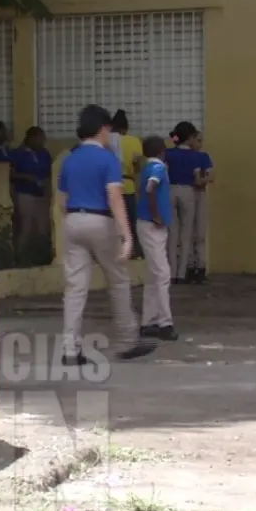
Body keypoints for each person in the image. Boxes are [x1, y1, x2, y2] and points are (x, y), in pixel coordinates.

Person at [57, 104, 156, 365]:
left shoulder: (70, 159)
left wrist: (70, 219)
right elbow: (115, 196)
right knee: (119, 280)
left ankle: (70, 349)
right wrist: (126, 235)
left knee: (75, 288)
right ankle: (127, 340)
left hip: (72, 220)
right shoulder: (107, 158)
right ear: (104, 129)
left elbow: (61, 198)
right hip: (100, 221)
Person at [135, 136, 177, 341]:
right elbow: (150, 188)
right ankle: (165, 323)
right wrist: (156, 214)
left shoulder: (146, 168)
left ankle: (148, 321)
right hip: (153, 225)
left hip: (145, 223)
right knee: (162, 274)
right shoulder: (158, 168)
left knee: (153, 275)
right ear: (162, 151)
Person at [165, 121, 202, 284]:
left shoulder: (168, 153)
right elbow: (197, 179)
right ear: (190, 137)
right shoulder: (195, 156)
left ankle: (171, 272)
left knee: (172, 233)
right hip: (188, 191)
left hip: (170, 190)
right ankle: (181, 274)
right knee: (186, 234)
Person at [11, 126, 53, 256]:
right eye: (40, 139)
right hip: (25, 193)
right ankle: (20, 257)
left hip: (41, 195)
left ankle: (42, 256)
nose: (43, 142)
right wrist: (27, 177)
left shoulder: (44, 153)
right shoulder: (18, 154)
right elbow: (11, 174)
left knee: (44, 228)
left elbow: (50, 172)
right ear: (31, 138)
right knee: (25, 227)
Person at [112, 110, 144, 258]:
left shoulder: (107, 141)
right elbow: (137, 166)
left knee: (114, 222)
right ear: (126, 127)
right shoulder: (134, 141)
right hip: (128, 186)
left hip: (111, 187)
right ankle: (134, 253)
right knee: (131, 222)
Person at [190, 134, 214, 283]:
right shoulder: (184, 156)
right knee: (186, 231)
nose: (199, 143)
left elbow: (211, 176)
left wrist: (201, 180)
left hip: (199, 193)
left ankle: (200, 265)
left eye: (201, 140)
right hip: (187, 192)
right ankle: (189, 265)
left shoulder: (204, 157)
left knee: (199, 231)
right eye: (197, 140)